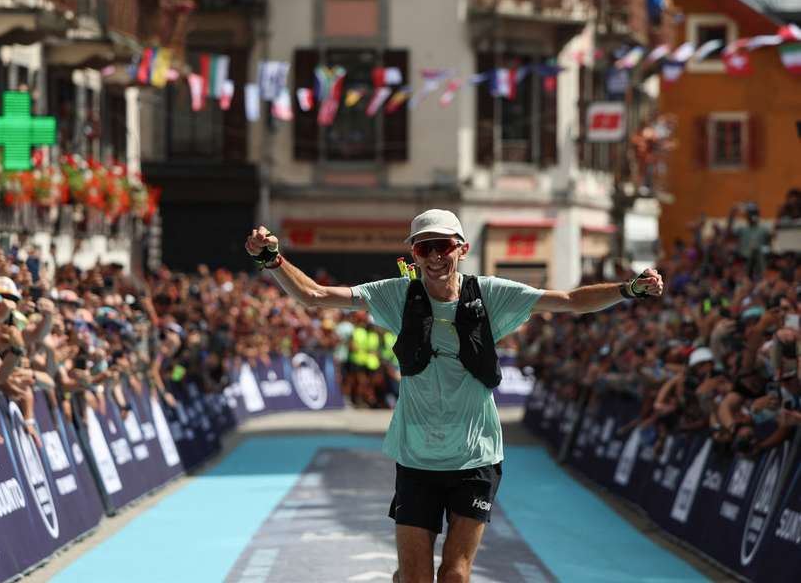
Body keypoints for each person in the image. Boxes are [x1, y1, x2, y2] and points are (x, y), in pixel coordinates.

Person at [245, 208, 664, 583]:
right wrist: (272, 260)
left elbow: (570, 301)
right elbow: (314, 296)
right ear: (413, 253)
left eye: (442, 246)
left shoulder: (491, 294)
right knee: (414, 578)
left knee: (455, 574)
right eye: (424, 247)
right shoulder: (396, 295)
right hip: (417, 459)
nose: (434, 256)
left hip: (475, 458)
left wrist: (628, 289)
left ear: (461, 248)